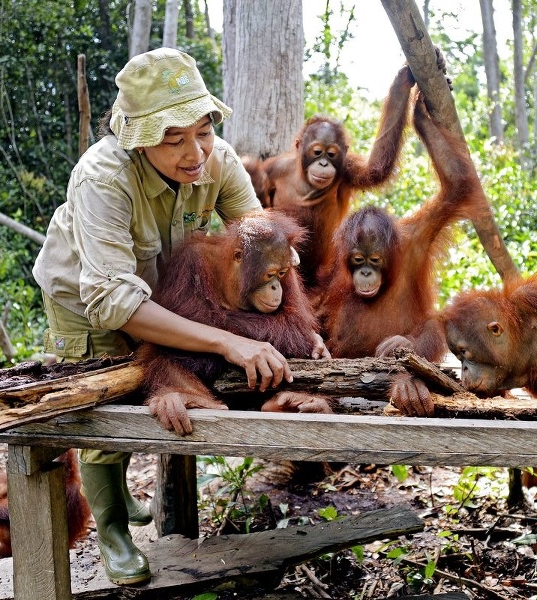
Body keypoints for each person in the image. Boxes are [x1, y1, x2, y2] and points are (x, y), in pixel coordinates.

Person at [33, 48, 327, 586]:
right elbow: (115, 302)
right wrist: (224, 342)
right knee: (106, 405)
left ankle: (117, 486)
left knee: (152, 380)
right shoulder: (102, 177)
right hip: (88, 295)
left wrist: (304, 331)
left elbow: (267, 245)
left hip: (163, 293)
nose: (195, 153)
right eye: (173, 140)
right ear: (139, 138)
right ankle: (114, 531)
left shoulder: (217, 160)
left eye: (203, 132)